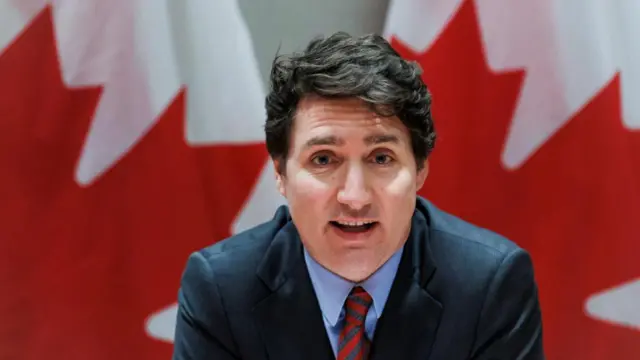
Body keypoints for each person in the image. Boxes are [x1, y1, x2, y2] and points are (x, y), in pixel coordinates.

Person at [172, 32, 544, 360]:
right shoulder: (222, 289)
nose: (354, 197)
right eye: (323, 159)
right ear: (280, 174)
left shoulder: (489, 285)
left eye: (381, 158)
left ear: (420, 170)